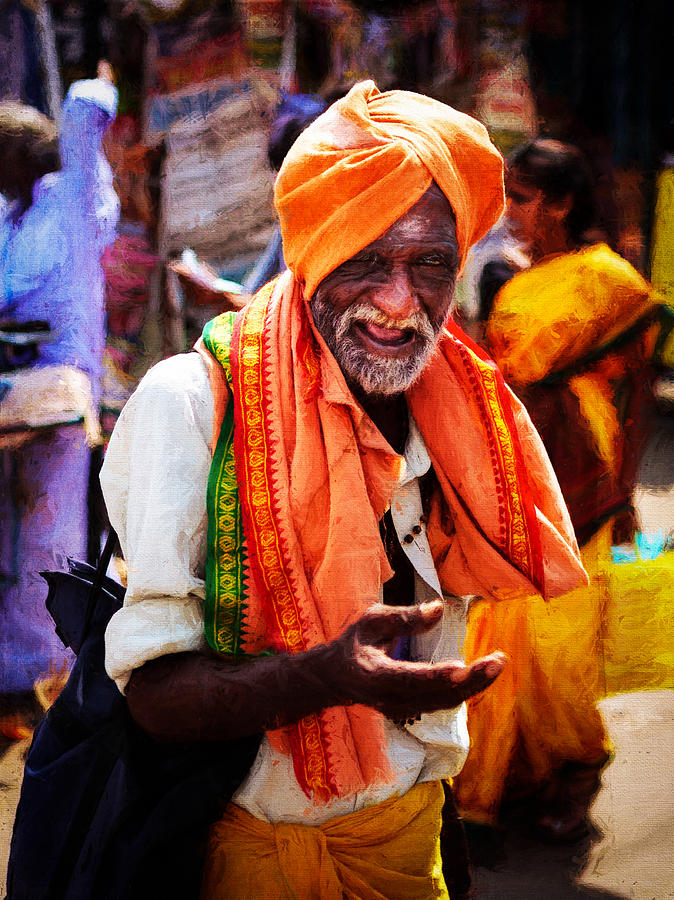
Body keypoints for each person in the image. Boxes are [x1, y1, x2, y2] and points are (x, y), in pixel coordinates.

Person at [101, 83, 586, 899]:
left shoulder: (457, 407)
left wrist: (444, 848)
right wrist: (322, 678)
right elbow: (152, 695)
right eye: (365, 258)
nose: (400, 304)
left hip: (408, 843)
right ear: (316, 251)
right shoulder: (190, 405)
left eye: (430, 262)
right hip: (250, 857)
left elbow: (429, 734)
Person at [454, 138, 668, 840]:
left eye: (523, 197)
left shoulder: (607, 279)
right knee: (497, 627)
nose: (510, 211)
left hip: (583, 469)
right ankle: (508, 779)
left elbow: (636, 390)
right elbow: (491, 374)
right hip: (513, 464)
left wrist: (630, 487)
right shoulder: (500, 276)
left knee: (557, 647)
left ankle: (579, 763)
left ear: (563, 204)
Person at [0, 64, 119, 740]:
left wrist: (97, 82)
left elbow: (85, 104)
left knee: (49, 533)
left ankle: (47, 672)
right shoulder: (12, 213)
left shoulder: (74, 195)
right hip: (16, 392)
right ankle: (16, 675)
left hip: (61, 398)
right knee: (13, 535)